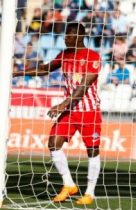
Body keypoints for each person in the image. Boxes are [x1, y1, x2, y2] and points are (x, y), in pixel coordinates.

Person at [13, 22, 102, 205]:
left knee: (92, 150)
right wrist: (17, 73)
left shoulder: (92, 57)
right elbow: (45, 68)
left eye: (69, 36)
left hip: (89, 111)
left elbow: (84, 86)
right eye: (64, 36)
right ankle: (69, 184)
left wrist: (62, 104)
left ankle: (89, 193)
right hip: (69, 111)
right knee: (54, 143)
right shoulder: (64, 55)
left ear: (79, 36)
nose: (65, 38)